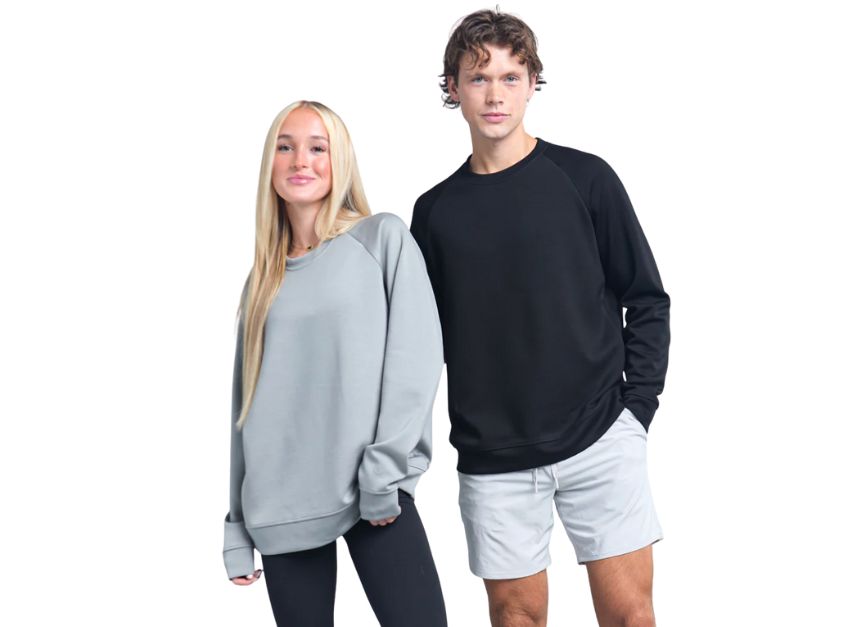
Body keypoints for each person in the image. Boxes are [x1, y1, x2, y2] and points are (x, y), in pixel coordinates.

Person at [409, 10, 670, 627]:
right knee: (516, 619)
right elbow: (419, 345)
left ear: (532, 83)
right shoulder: (434, 213)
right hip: (493, 457)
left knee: (631, 616)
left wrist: (637, 410)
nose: (494, 94)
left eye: (510, 76)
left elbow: (646, 297)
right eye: (478, 78)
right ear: (453, 88)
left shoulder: (585, 178)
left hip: (601, 437)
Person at [222, 100, 448, 627]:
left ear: (339, 159)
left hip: (374, 491)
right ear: (270, 163)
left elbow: (416, 362)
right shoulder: (262, 281)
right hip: (281, 508)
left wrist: (384, 473)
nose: (300, 160)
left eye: (317, 147)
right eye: (285, 147)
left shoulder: (381, 239)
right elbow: (245, 409)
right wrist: (237, 524)